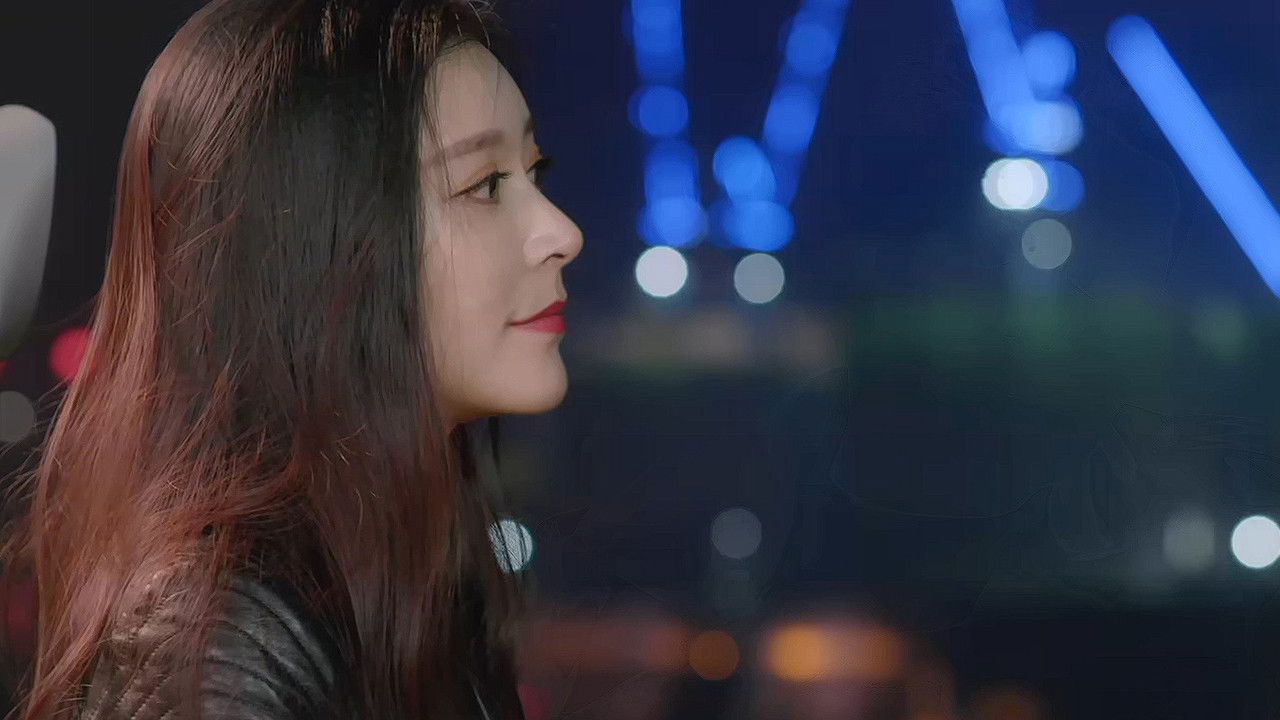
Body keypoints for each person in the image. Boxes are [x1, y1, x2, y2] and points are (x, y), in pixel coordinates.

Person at [0, 0, 583, 717]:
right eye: (484, 185)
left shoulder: (410, 582)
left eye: (535, 171)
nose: (562, 232)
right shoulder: (221, 648)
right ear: (312, 245)